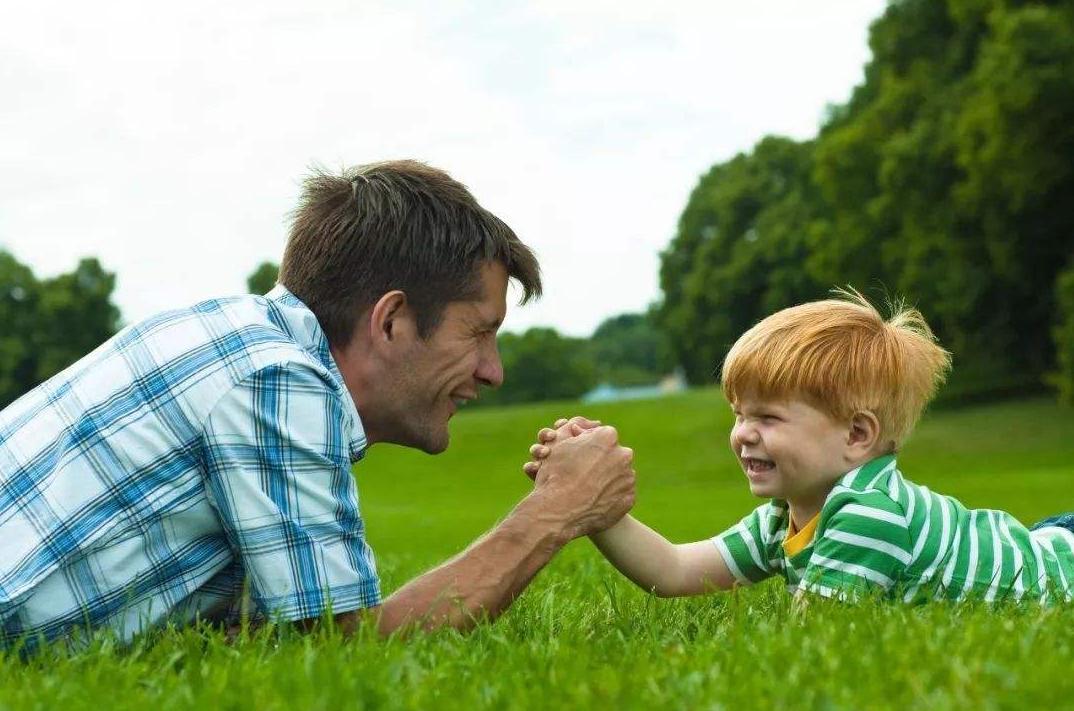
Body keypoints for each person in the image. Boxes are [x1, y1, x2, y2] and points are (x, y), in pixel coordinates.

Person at [0, 160, 636, 649]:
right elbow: (348, 649)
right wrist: (556, 510)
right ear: (391, 321)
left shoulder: (230, 337)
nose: (493, 371)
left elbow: (277, 635)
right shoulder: (278, 381)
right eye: (478, 332)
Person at [527, 291, 1074, 603]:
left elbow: (813, 640)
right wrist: (593, 507)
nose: (743, 433)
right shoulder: (785, 517)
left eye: (768, 417)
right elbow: (673, 570)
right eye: (739, 414)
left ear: (856, 436)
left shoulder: (869, 516)